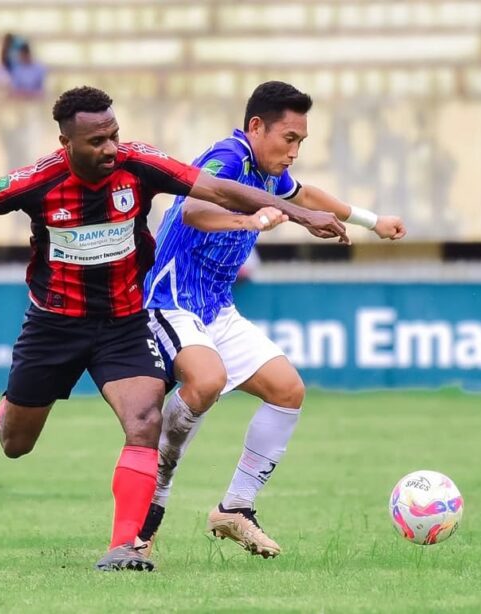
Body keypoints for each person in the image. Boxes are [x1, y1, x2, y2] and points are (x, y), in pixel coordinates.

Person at [0, 86, 348, 572]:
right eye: (97, 141)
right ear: (65, 141)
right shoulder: (37, 180)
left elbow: (222, 192)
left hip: (122, 321)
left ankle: (123, 547)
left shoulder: (140, 164)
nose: (111, 148)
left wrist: (298, 214)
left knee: (143, 420)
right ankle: (11, 406)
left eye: (114, 135)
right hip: (54, 325)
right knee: (15, 443)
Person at [138, 81, 406, 558]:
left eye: (302, 141)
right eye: (290, 138)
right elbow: (198, 210)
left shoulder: (268, 173)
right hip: (171, 300)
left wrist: (372, 220)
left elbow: (306, 196)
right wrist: (252, 221)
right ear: (256, 127)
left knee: (288, 390)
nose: (295, 151)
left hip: (216, 308)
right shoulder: (228, 157)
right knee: (207, 381)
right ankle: (152, 496)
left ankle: (235, 508)